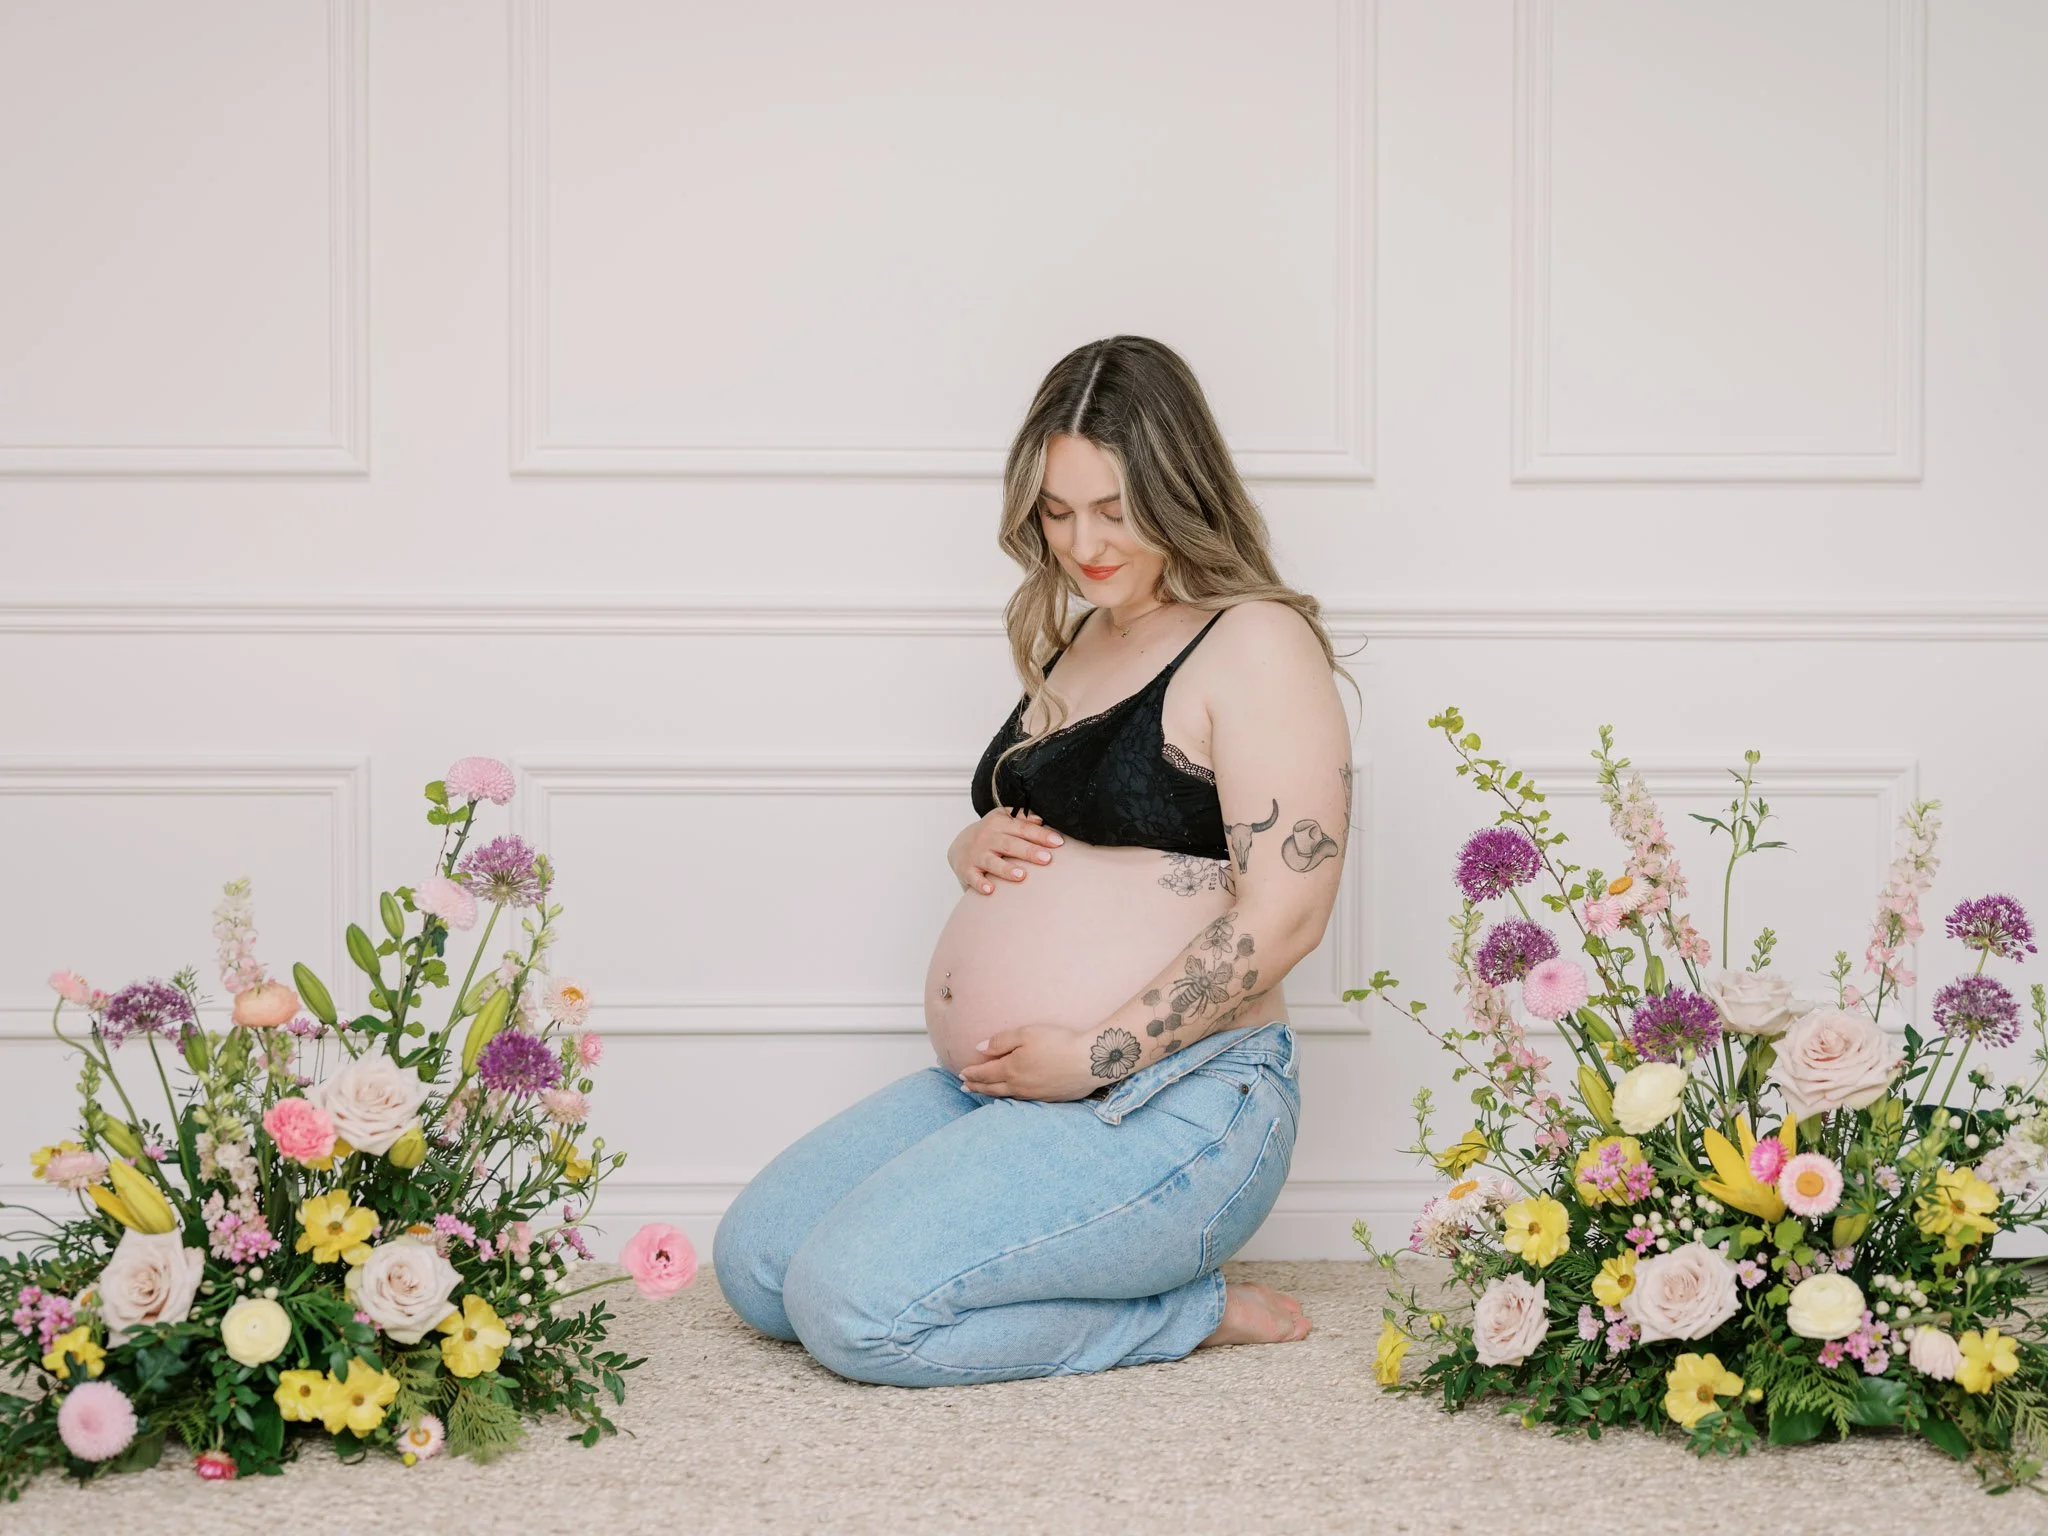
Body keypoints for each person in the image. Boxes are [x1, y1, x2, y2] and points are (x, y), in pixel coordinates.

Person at [714, 335, 1363, 1387]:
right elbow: (1067, 825)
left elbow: (1286, 913)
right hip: (1006, 1088)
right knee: (755, 1266)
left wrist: (1100, 1051)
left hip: (1175, 1099)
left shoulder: (1252, 641)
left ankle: (1180, 1315)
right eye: (1056, 512)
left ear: (1177, 487)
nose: (1082, 543)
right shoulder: (1086, 635)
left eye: (1112, 509)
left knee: (851, 1310)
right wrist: (974, 838)